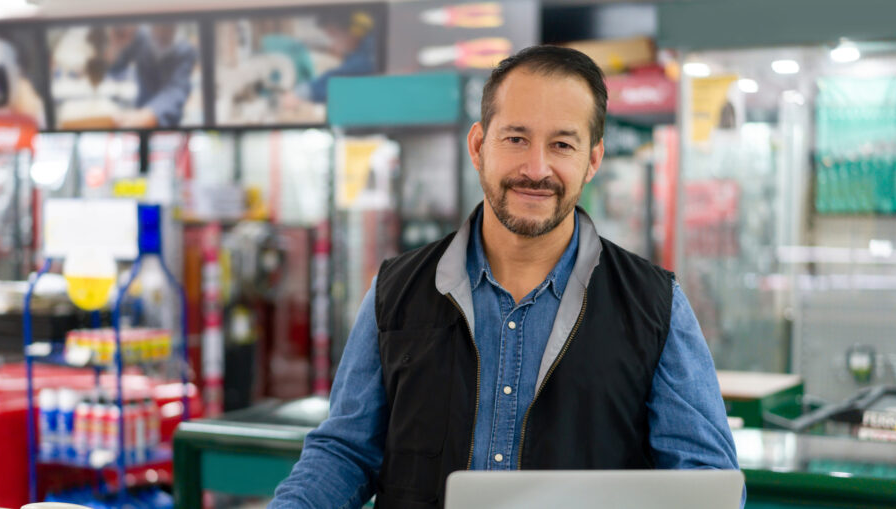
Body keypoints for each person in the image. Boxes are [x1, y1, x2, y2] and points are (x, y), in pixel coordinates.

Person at [270, 45, 743, 509]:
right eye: (516, 138)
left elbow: (707, 479)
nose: (536, 169)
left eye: (561, 144)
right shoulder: (395, 291)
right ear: (479, 145)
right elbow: (345, 454)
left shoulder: (654, 305)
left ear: (592, 160)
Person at [106, 23, 198, 128]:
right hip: (139, 110)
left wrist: (149, 115)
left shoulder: (185, 49)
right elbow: (115, 69)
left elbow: (177, 89)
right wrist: (116, 47)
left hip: (167, 121)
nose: (160, 30)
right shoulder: (140, 36)